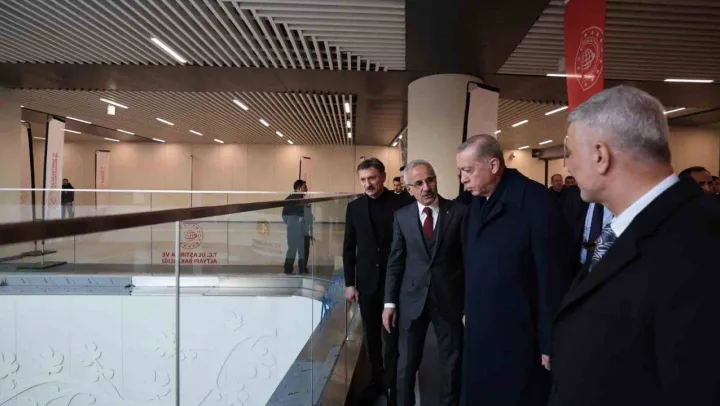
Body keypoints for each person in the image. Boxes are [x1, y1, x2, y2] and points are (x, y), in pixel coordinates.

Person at [550, 86, 720, 406]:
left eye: (569, 152)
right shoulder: (627, 228)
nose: (567, 165)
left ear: (600, 155)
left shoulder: (701, 240)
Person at [455, 134, 571, 406]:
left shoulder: (537, 202)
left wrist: (549, 341)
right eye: (460, 171)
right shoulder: (475, 202)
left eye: (468, 170)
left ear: (494, 165)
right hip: (480, 331)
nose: (463, 179)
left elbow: (552, 278)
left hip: (519, 337)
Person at [383, 160, 466, 406]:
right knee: (406, 365)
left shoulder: (459, 212)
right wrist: (389, 303)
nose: (426, 187)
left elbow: (468, 261)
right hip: (411, 301)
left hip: (449, 300)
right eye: (418, 183)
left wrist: (469, 304)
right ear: (409, 189)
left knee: (452, 363)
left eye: (430, 180)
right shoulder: (402, 217)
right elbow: (395, 262)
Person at [343, 158, 406, 405]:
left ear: (383, 176)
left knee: (392, 336)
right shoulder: (354, 208)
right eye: (363, 180)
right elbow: (349, 248)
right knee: (371, 336)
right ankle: (376, 380)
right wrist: (349, 283)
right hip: (366, 283)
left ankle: (392, 384)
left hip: (395, 282)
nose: (367, 184)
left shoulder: (402, 204)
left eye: (372, 178)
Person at [282, 180, 313, 275]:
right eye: (305, 187)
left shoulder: (288, 199)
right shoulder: (303, 201)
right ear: (299, 188)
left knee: (291, 250)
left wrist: (291, 225)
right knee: (303, 251)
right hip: (303, 230)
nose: (307, 189)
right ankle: (302, 269)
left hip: (292, 230)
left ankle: (288, 269)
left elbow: (284, 216)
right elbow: (307, 216)